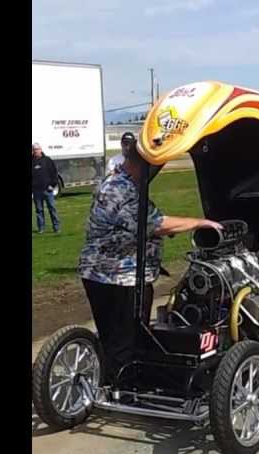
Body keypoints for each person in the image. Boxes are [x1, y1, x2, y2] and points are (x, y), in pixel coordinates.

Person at [78, 142, 222, 379]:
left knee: (119, 335)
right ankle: (120, 384)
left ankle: (114, 376)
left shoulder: (117, 182)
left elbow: (139, 223)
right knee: (125, 338)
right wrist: (198, 223)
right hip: (118, 276)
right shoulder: (120, 189)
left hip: (107, 273)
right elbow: (155, 223)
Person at [31, 143, 60, 233]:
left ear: (41, 149)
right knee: (39, 210)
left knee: (52, 208)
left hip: (47, 190)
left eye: (37, 149)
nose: (36, 151)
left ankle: (56, 227)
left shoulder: (47, 160)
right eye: (34, 149)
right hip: (36, 191)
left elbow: (54, 173)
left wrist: (52, 185)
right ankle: (41, 228)